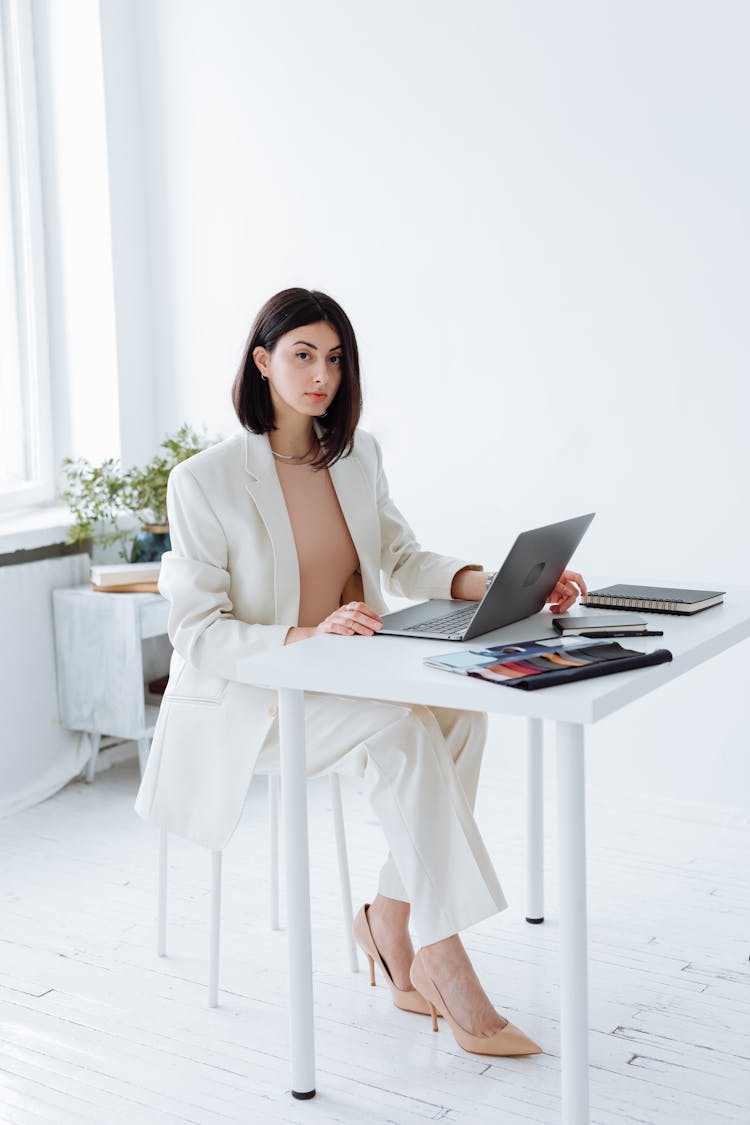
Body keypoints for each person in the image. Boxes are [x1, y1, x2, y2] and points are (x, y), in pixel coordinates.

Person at [134, 287, 586, 1058]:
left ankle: (388, 914)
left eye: (335, 359)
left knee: (462, 713)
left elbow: (403, 557)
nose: (321, 375)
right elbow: (198, 633)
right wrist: (307, 632)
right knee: (407, 727)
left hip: (347, 674)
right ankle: (441, 954)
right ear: (262, 361)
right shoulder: (203, 480)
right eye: (303, 355)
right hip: (258, 697)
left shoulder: (355, 456)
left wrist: (497, 581)